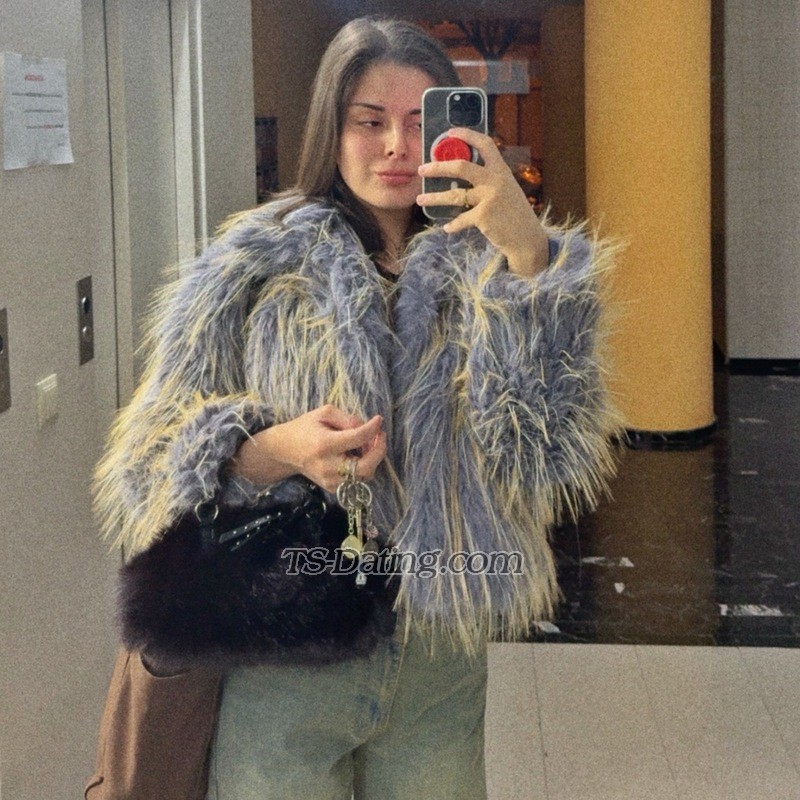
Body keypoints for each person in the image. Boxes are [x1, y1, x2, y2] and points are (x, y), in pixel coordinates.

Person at [93, 16, 620, 800]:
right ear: (332, 130)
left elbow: (545, 459)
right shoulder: (251, 265)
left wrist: (530, 262)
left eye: (420, 122)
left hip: (439, 653)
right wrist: (268, 449)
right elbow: (147, 469)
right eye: (370, 122)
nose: (398, 147)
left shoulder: (493, 268)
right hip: (286, 647)